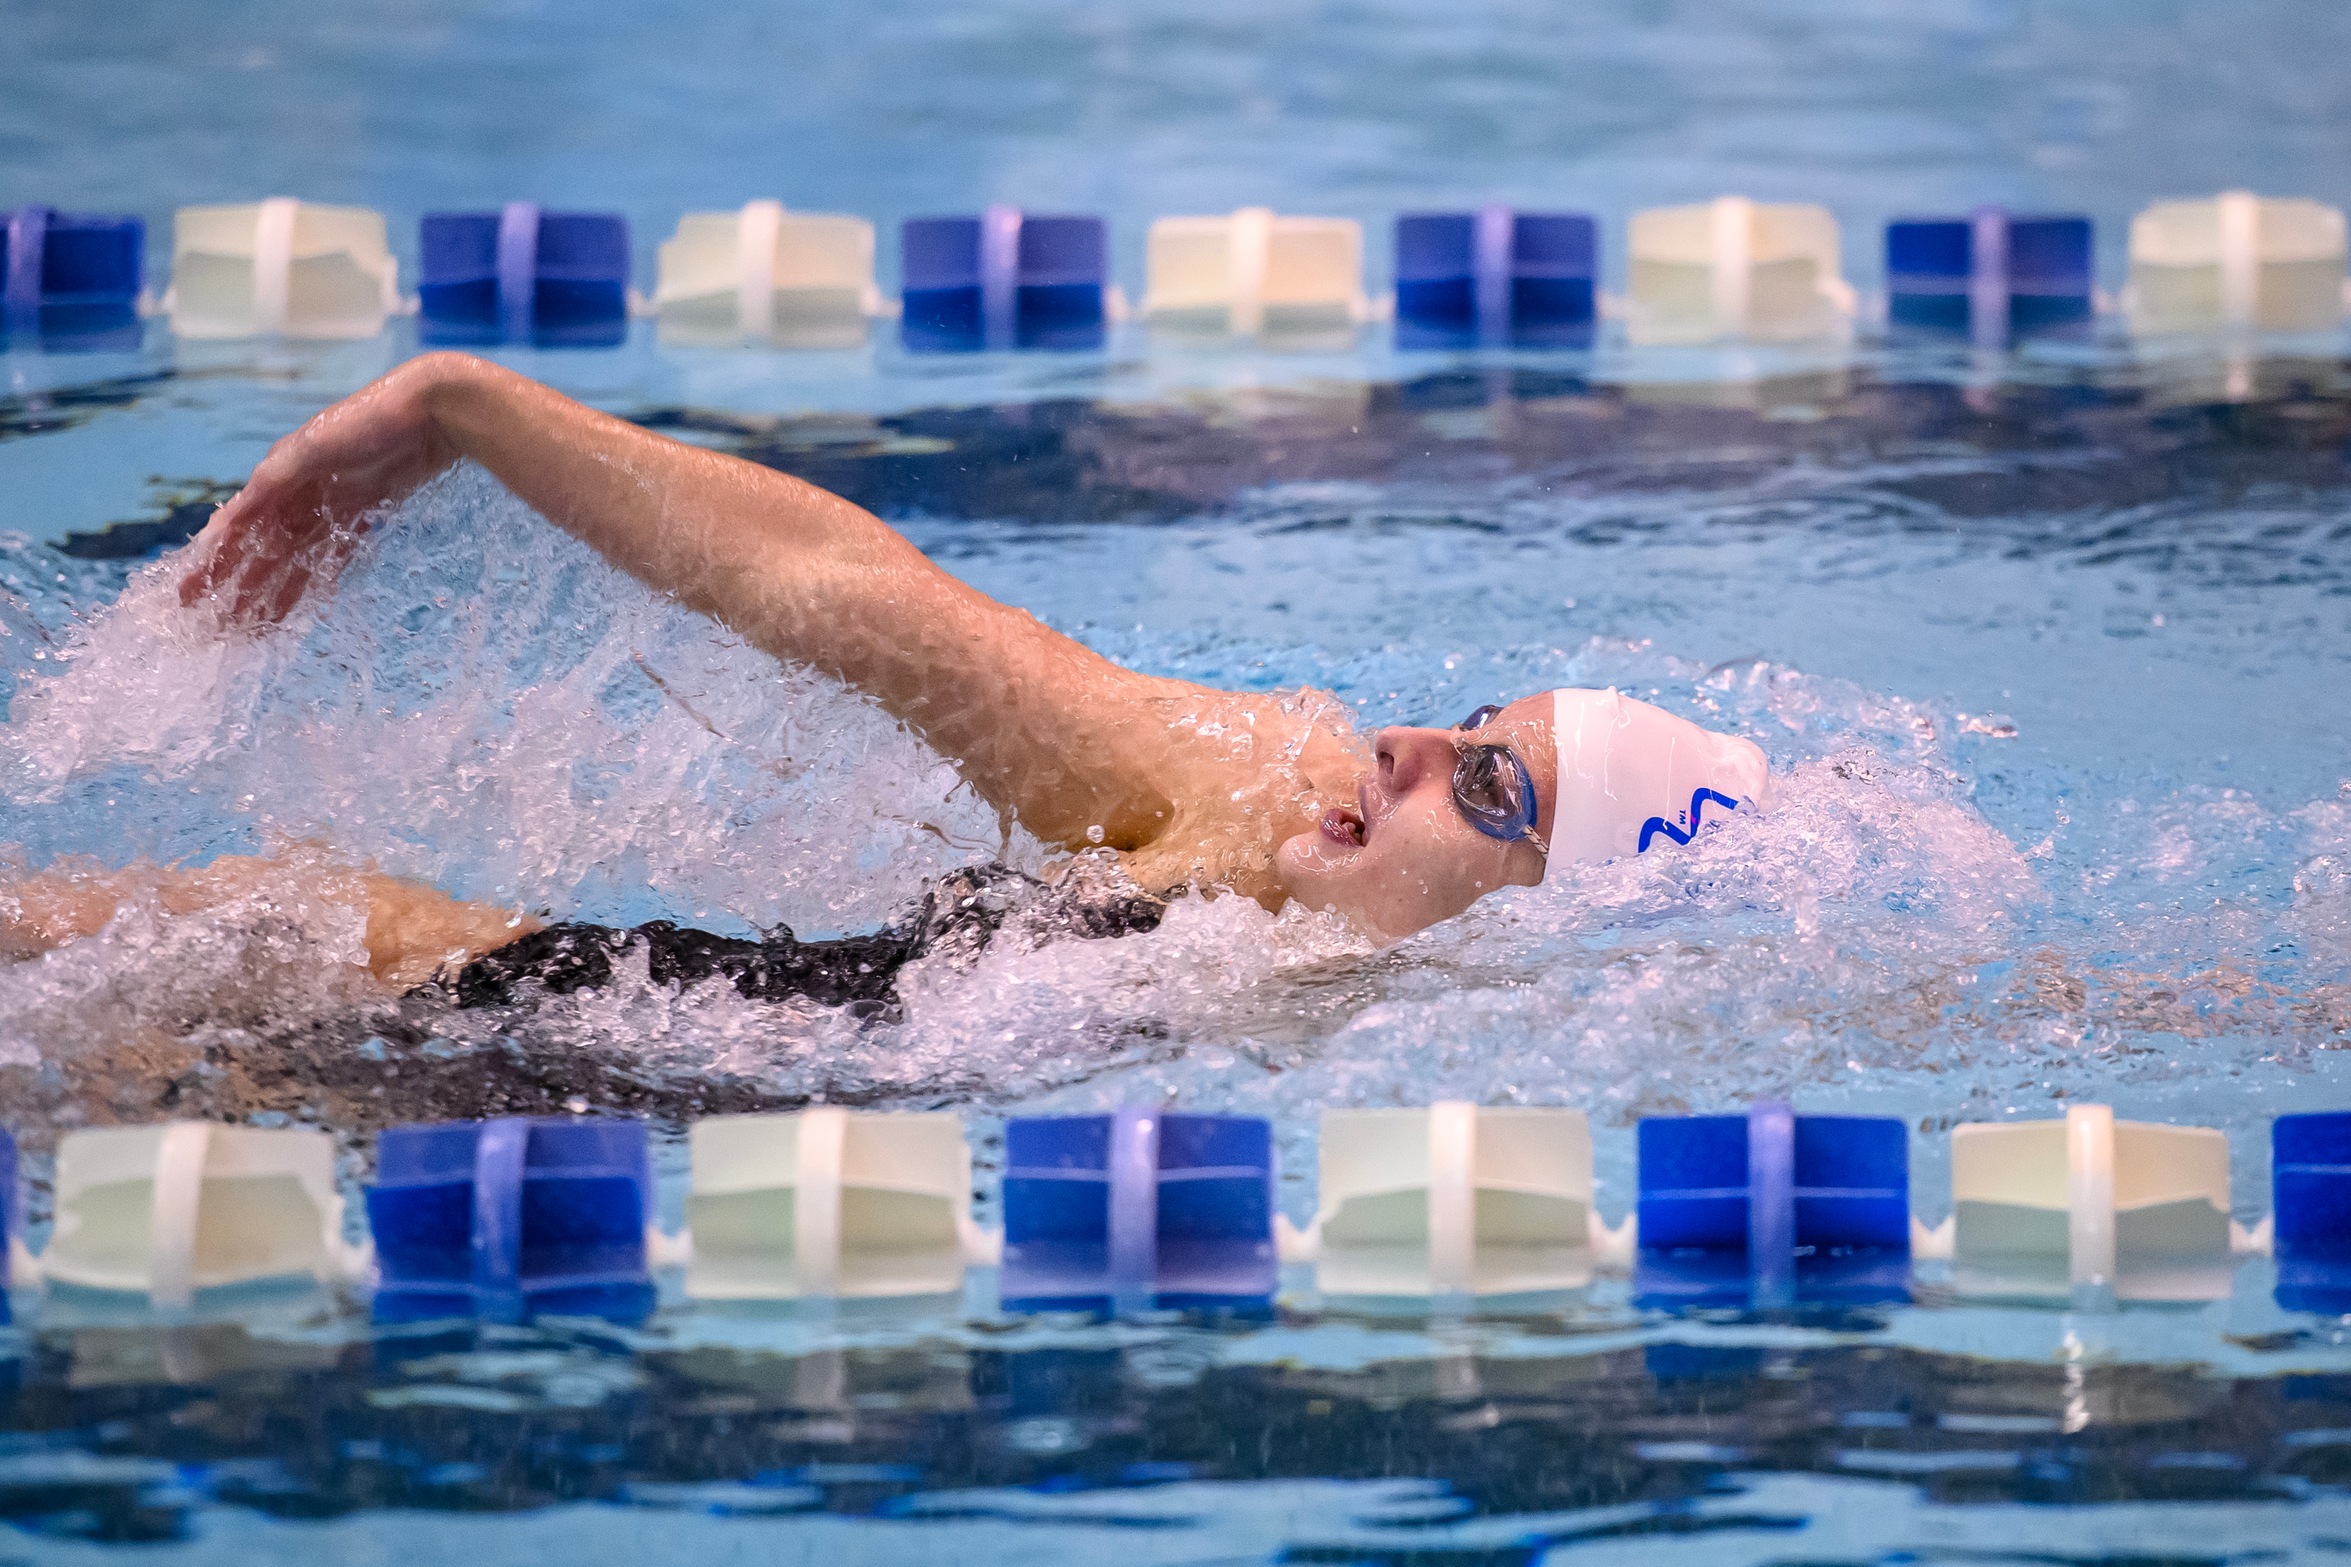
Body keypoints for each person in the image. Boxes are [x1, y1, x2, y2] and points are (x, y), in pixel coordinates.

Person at [0, 352, 1771, 1009]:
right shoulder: (1247, 808)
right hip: (495, 1030)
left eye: (1492, 786)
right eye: (1465, 727)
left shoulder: (1508, 1045)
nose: (1407, 745)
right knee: (245, 929)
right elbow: (860, 600)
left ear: (1560, 919)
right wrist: (464, 411)